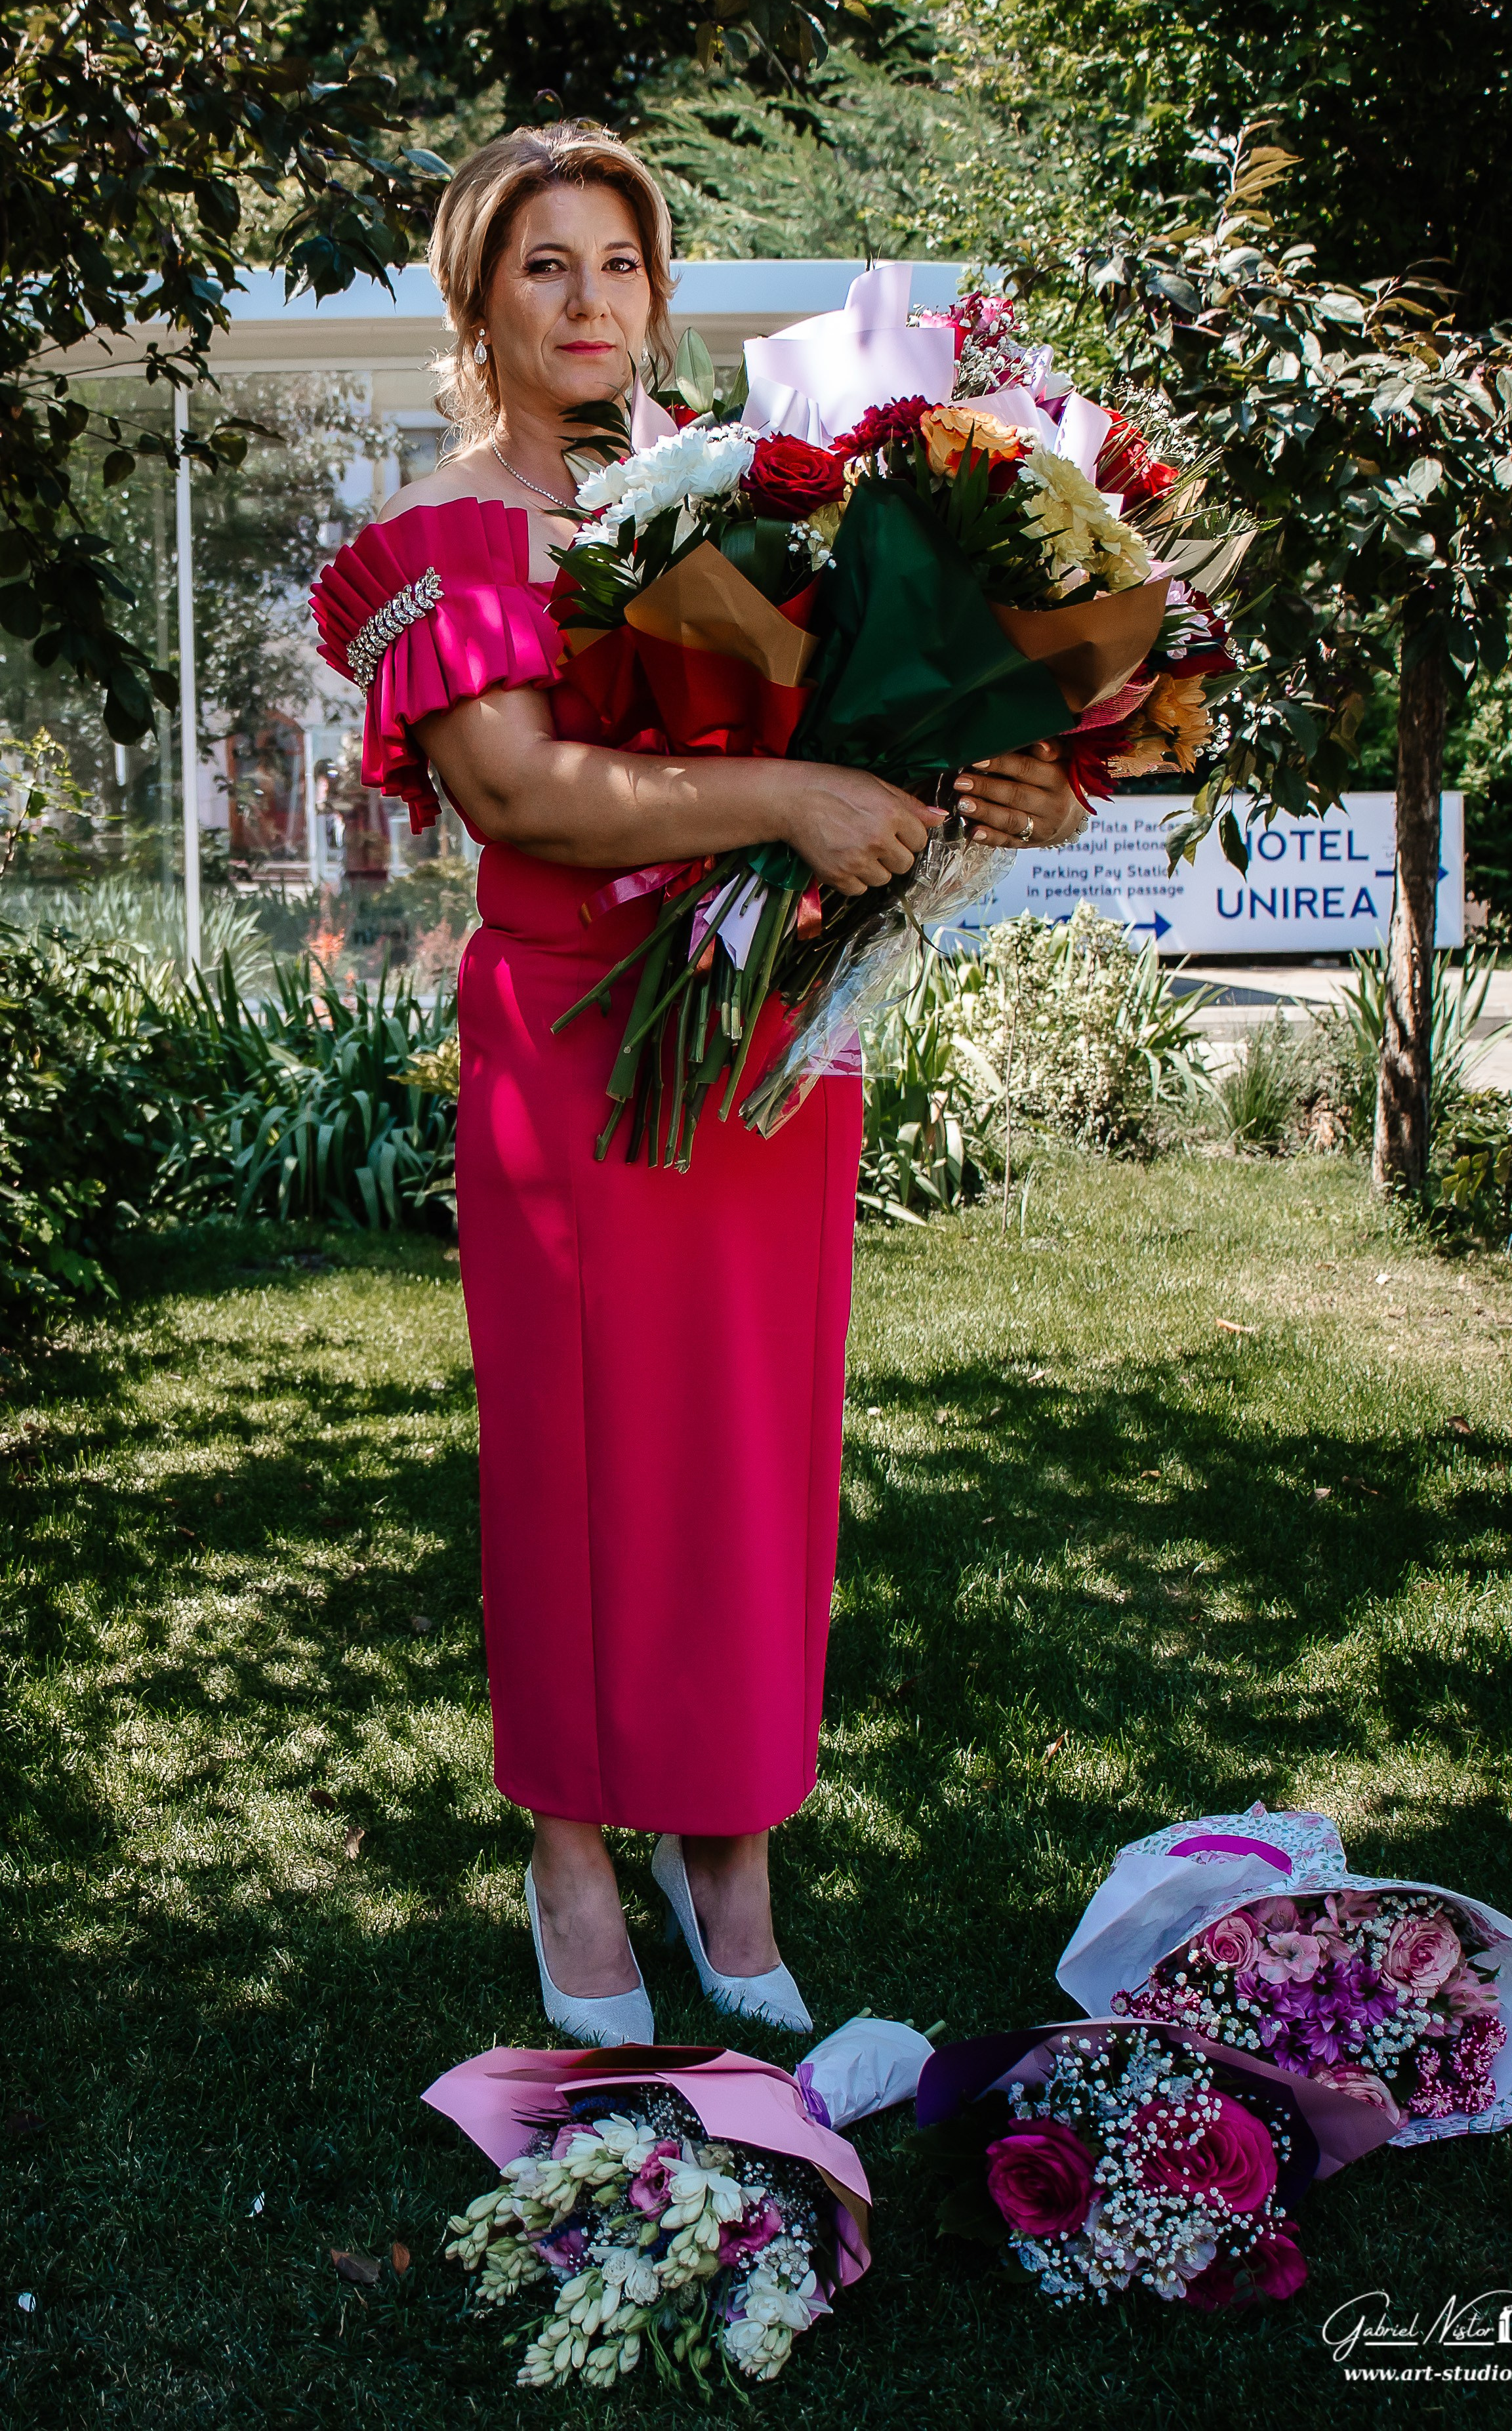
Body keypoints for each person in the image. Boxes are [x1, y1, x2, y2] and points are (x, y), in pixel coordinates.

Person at [311, 124, 1084, 2046]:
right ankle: (572, 1838)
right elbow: (521, 792)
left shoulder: (764, 502)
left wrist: (1007, 781)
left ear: (663, 288)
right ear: (478, 299)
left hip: (764, 1046)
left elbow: (893, 718)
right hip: (574, 1050)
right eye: (544, 266)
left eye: (621, 265)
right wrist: (792, 797)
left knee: (752, 1452)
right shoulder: (450, 535)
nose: (590, 302)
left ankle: (724, 1835)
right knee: (580, 1456)